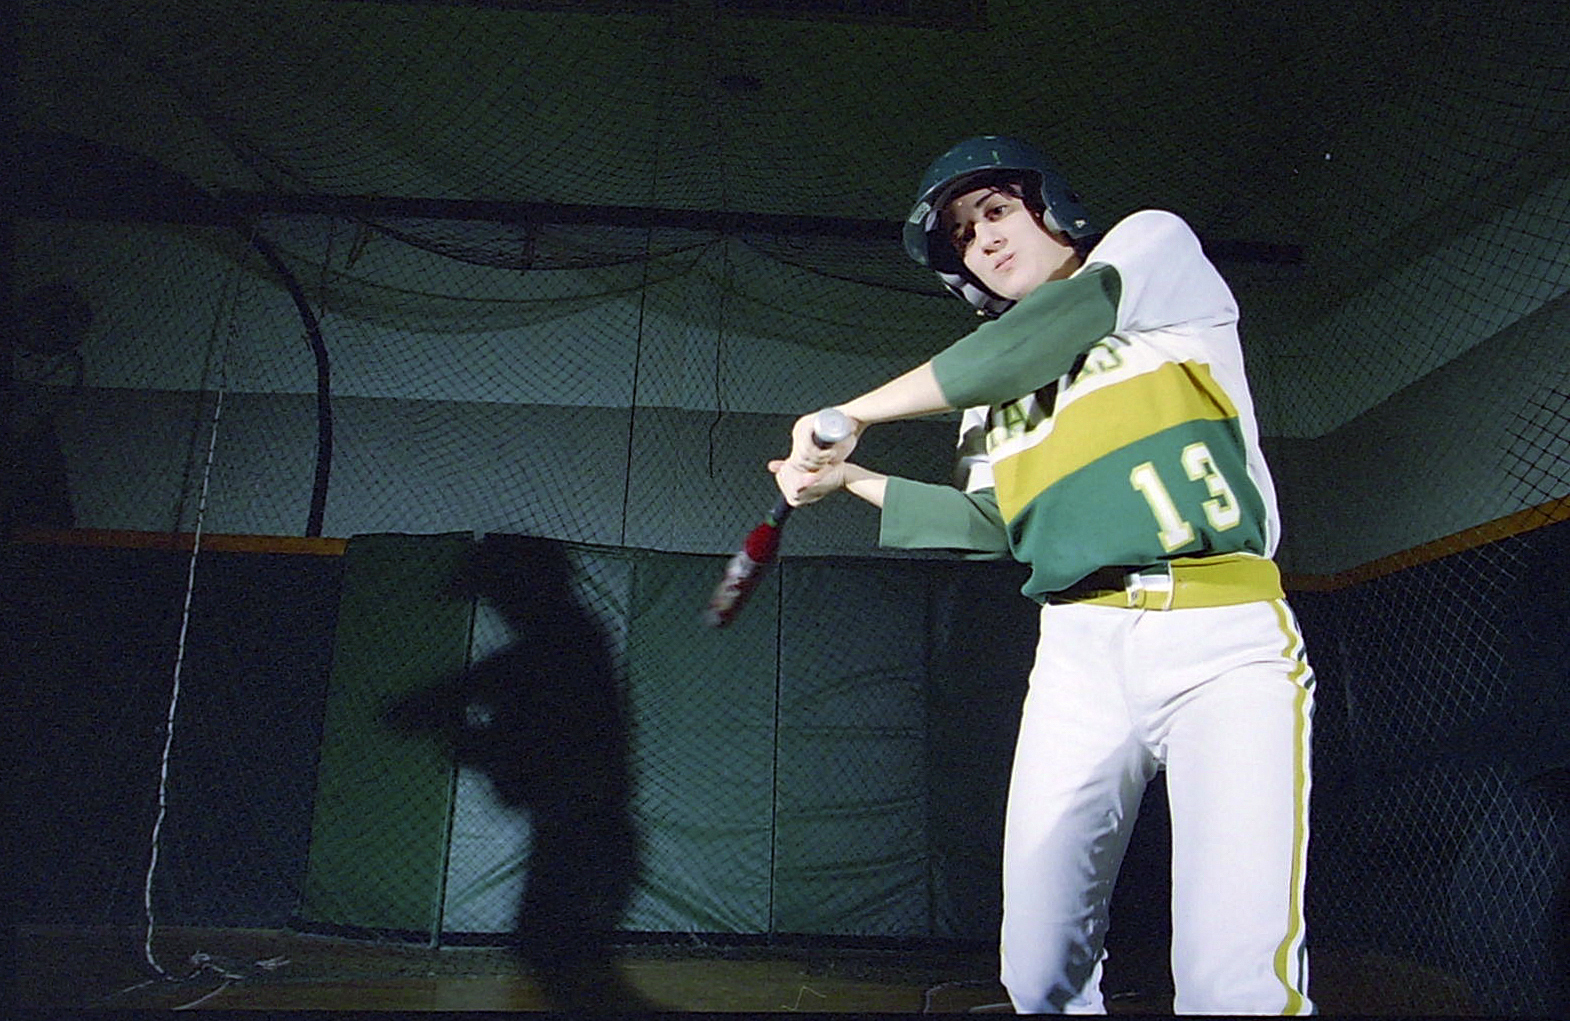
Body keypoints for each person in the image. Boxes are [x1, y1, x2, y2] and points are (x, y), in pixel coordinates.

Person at [769, 135, 1315, 1015]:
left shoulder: (1151, 251)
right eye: (961, 235)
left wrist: (850, 413)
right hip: (1077, 655)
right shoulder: (987, 398)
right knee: (1038, 973)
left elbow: (1026, 345)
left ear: (1051, 206)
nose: (981, 239)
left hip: (1220, 636)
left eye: (995, 210)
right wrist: (853, 479)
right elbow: (994, 527)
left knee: (1233, 982)